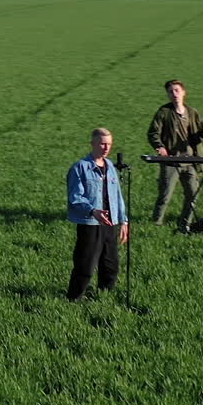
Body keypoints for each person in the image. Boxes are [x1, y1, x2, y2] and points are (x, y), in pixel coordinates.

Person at [66, 127, 129, 302]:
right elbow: (75, 198)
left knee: (111, 265)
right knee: (85, 265)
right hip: (90, 223)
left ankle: (104, 297)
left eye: (109, 144)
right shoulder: (80, 168)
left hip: (110, 223)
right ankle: (74, 298)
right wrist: (93, 211)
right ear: (93, 143)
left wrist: (123, 221)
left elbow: (117, 195)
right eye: (102, 143)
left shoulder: (110, 167)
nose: (106, 148)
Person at [147, 79, 203, 233]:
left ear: (184, 92)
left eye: (177, 90)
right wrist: (160, 147)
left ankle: (185, 224)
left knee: (193, 195)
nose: (174, 94)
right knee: (165, 195)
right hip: (171, 161)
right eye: (170, 91)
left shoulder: (192, 112)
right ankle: (155, 225)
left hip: (191, 161)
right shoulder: (163, 112)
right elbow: (153, 133)